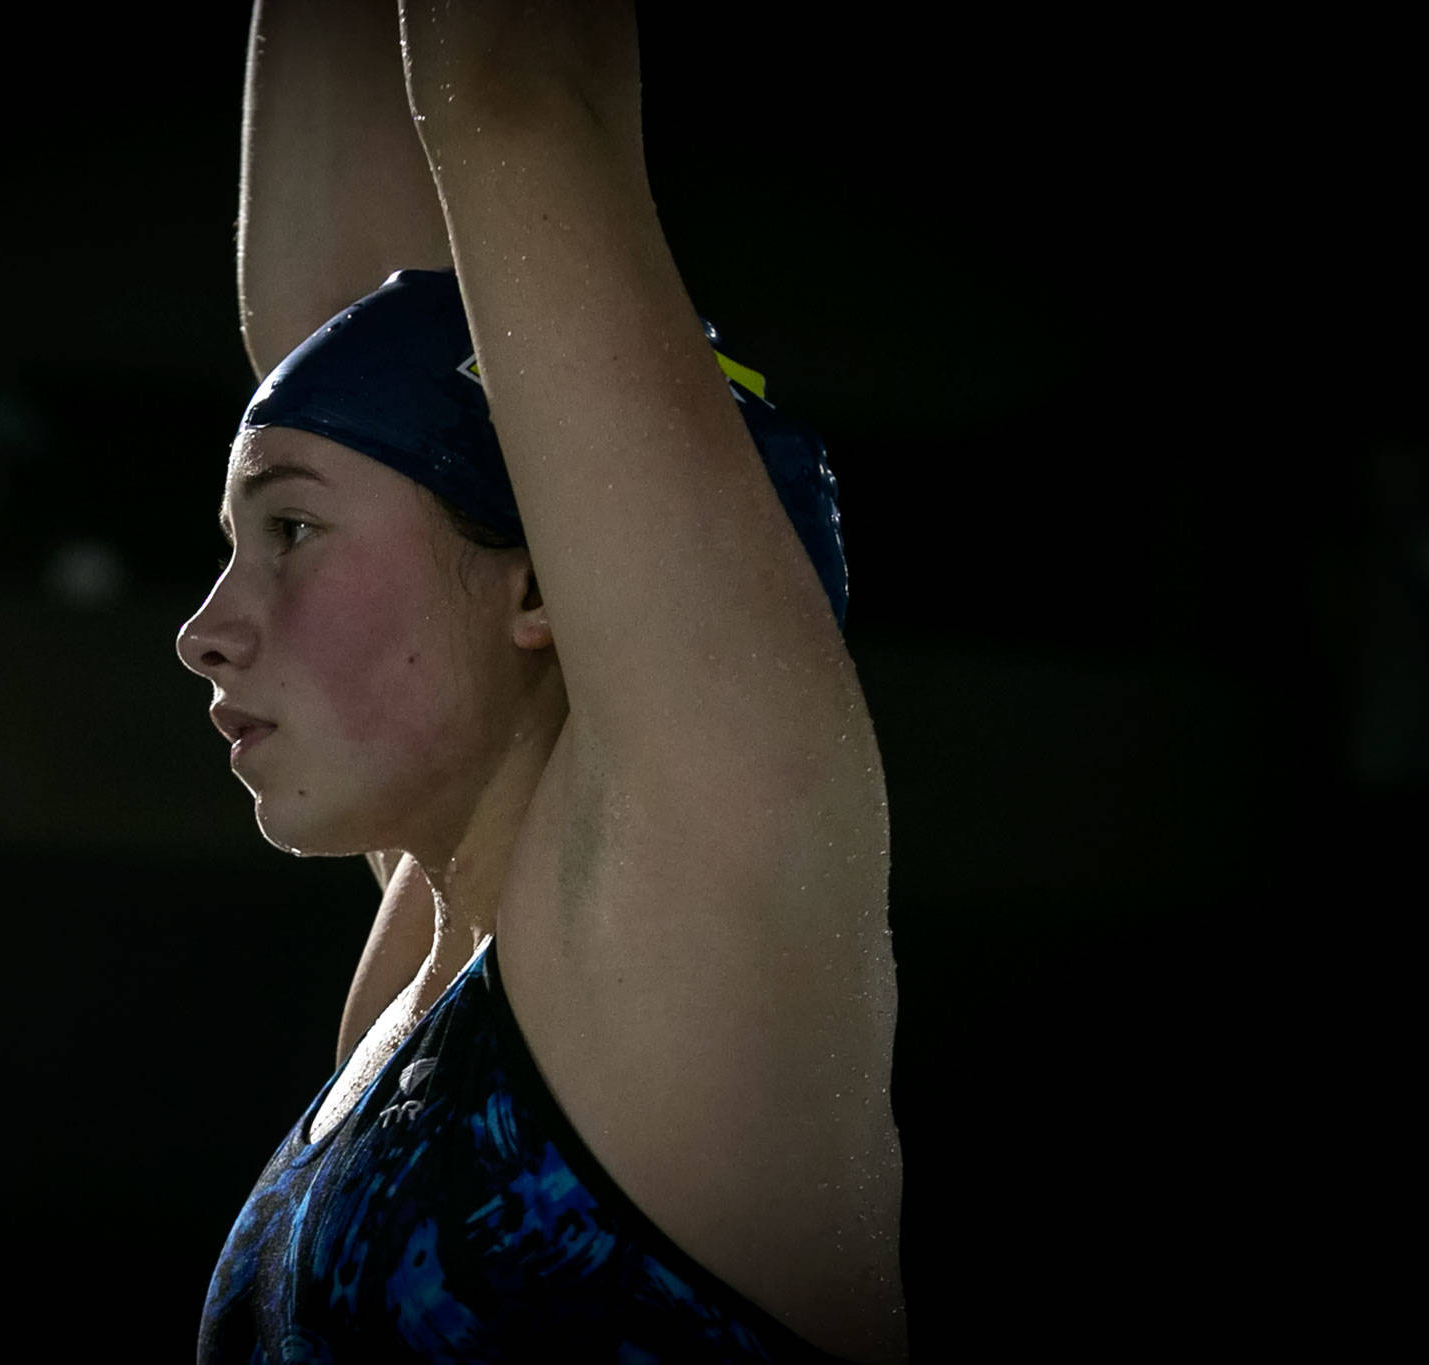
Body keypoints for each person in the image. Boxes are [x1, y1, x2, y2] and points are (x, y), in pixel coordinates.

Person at [175, 3, 905, 1360]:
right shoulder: (432, 962)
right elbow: (345, 332)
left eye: (290, 533)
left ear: (538, 586)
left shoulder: (699, 890)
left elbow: (515, 94)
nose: (202, 630)